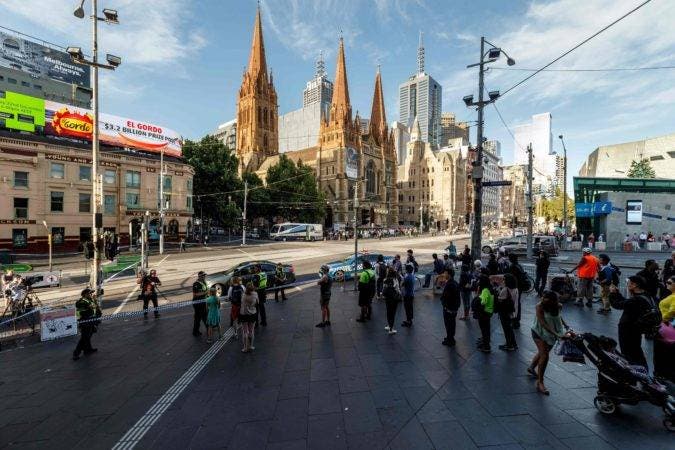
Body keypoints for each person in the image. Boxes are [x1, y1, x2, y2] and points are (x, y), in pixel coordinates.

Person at [528, 290, 569, 395]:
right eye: (543, 297)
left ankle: (531, 367)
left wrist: (565, 325)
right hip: (539, 332)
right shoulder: (539, 306)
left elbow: (559, 316)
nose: (542, 299)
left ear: (552, 301)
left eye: (545, 298)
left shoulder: (559, 306)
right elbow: (542, 322)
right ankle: (540, 382)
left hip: (552, 333)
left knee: (543, 353)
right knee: (545, 356)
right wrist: (557, 334)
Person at [609, 276, 653, 368]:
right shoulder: (646, 295)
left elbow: (618, 305)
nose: (627, 285)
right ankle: (642, 369)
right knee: (636, 349)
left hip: (629, 329)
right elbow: (626, 303)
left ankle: (634, 370)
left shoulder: (636, 299)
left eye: (629, 283)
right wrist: (617, 294)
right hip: (636, 328)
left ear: (635, 285)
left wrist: (612, 293)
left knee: (628, 351)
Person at [654, 276, 675, 381]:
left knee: (663, 350)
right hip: (668, 326)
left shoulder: (674, 297)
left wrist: (662, 319)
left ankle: (663, 373)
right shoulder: (672, 295)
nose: (667, 283)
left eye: (669, 282)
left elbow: (672, 311)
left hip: (667, 327)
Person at [73, 288, 99, 361]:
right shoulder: (81, 302)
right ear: (85, 295)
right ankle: (76, 353)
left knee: (89, 336)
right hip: (85, 322)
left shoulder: (89, 300)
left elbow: (95, 308)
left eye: (91, 293)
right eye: (89, 293)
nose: (91, 294)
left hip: (91, 321)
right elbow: (83, 313)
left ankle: (88, 349)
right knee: (84, 338)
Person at [496, 273, 519, 351]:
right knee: (509, 329)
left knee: (506, 329)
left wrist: (499, 289)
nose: (503, 280)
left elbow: (499, 299)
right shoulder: (515, 289)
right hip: (512, 312)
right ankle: (513, 344)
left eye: (504, 279)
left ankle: (509, 345)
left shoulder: (505, 290)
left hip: (505, 312)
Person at [440, 267, 461, 346]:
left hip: (449, 309)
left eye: (445, 273)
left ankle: (450, 340)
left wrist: (443, 303)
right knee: (451, 324)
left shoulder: (450, 284)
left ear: (449, 274)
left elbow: (447, 297)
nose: (444, 274)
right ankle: (450, 337)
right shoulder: (454, 282)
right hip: (453, 308)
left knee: (449, 324)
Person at [474, 274, 495, 353]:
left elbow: (483, 302)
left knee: (484, 330)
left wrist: (478, 297)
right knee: (487, 329)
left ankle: (486, 346)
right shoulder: (490, 288)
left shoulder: (485, 290)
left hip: (484, 312)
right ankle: (486, 343)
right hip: (489, 311)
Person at [506, 253, 527, 328]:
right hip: (520, 287)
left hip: (515, 288)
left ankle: (515, 321)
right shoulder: (519, 265)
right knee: (517, 303)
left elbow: (511, 278)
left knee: (514, 304)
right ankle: (517, 320)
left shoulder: (512, 267)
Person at [382, 268, 402, 335]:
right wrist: (400, 294)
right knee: (393, 313)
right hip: (394, 298)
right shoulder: (395, 280)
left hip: (387, 298)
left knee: (388, 312)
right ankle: (391, 329)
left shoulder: (385, 280)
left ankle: (388, 325)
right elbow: (398, 289)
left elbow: (383, 289)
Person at [240, 283, 258, 352]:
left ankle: (245, 348)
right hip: (253, 313)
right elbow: (257, 302)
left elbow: (242, 303)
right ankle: (251, 346)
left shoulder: (244, 295)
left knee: (245, 331)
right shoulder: (255, 294)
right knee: (251, 331)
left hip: (244, 314)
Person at [192, 271, 208, 336]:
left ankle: (195, 331)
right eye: (203, 276)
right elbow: (195, 294)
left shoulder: (204, 282)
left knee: (198, 318)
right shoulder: (196, 284)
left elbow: (205, 291)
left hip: (203, 302)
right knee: (204, 316)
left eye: (205, 275)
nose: (204, 277)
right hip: (198, 303)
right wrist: (206, 292)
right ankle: (208, 329)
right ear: (200, 276)